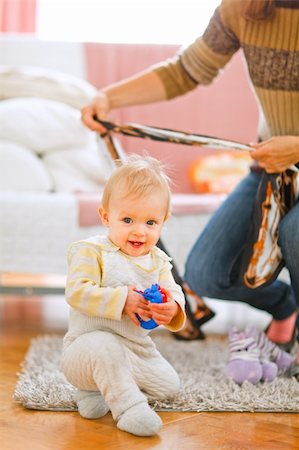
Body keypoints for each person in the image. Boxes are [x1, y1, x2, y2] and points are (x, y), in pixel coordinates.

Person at [81, 0, 299, 372]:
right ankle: (286, 307)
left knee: (295, 230)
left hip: (288, 156)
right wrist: (108, 98)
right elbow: (186, 70)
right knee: (206, 273)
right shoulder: (241, 9)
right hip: (271, 169)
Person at [61, 155, 186, 437]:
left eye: (151, 222)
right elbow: (77, 292)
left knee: (169, 386)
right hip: (85, 350)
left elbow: (173, 290)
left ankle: (107, 386)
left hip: (134, 350)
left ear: (163, 221)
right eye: (127, 219)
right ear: (106, 216)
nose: (139, 231)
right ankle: (128, 408)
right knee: (105, 346)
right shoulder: (91, 251)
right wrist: (121, 300)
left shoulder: (158, 260)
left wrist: (173, 308)